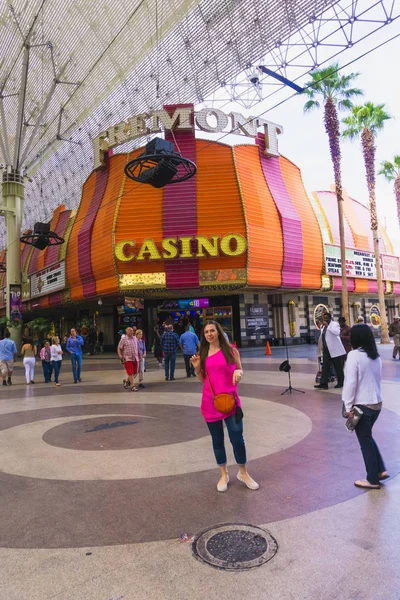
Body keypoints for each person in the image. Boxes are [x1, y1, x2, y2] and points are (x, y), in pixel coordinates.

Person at [190, 320, 259, 492]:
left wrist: (238, 372)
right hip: (210, 403)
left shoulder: (231, 351)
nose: (209, 334)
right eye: (206, 332)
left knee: (237, 438)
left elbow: (240, 369)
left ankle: (243, 472)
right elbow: (202, 379)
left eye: (212, 330)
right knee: (217, 440)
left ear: (218, 332)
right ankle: (223, 473)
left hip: (231, 401)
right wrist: (198, 368)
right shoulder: (203, 353)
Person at [342, 324, 388, 489]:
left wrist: (347, 407)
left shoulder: (354, 355)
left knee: (365, 441)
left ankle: (372, 479)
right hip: (376, 405)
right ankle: (380, 470)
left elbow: (350, 383)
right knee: (367, 437)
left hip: (361, 406)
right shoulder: (376, 356)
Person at [314, 312, 346, 390]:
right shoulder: (322, 326)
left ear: (330, 318)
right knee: (325, 367)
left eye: (326, 318)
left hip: (335, 349)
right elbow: (323, 337)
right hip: (326, 349)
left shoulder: (335, 324)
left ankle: (341, 382)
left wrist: (328, 326)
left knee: (338, 367)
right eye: (324, 319)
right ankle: (324, 383)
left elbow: (337, 332)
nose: (325, 320)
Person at [118, 327, 141, 391]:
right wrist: (120, 355)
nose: (132, 332)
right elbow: (119, 348)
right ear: (127, 332)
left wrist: (140, 355)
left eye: (132, 331)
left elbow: (138, 347)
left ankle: (126, 381)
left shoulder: (135, 338)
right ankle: (132, 386)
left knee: (135, 372)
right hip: (127, 358)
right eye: (130, 331)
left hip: (135, 358)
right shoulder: (123, 339)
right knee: (130, 372)